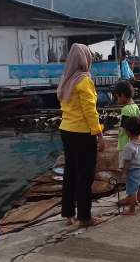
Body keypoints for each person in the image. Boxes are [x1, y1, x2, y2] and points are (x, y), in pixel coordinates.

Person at [57, 43, 105, 227]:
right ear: (86, 59)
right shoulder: (84, 80)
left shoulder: (66, 78)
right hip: (82, 132)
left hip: (66, 130)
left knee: (70, 172)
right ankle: (85, 217)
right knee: (85, 175)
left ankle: (68, 214)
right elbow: (90, 111)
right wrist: (99, 134)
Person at [121, 116, 140, 215]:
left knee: (132, 191)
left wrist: (124, 173)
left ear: (128, 132)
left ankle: (131, 210)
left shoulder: (129, 146)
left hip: (133, 171)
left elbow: (127, 162)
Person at [113, 80, 140, 171]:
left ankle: (126, 184)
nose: (117, 100)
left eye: (117, 97)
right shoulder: (136, 107)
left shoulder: (125, 109)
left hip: (125, 145)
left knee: (124, 169)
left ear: (122, 95)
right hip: (135, 143)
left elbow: (123, 129)